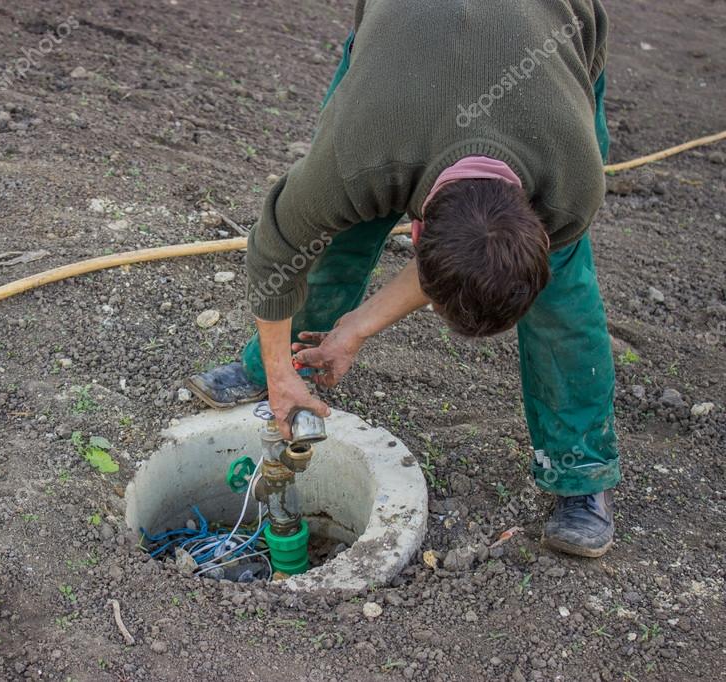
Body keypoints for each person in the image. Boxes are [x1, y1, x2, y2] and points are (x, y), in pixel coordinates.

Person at [186, 0, 620, 558]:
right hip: (399, 50)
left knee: (561, 299)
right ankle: (276, 372)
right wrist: (277, 373)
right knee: (334, 237)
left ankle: (580, 474)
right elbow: (277, 248)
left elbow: (476, 257)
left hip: (556, 30)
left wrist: (357, 328)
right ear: (416, 235)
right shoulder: (359, 152)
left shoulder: (570, 184)